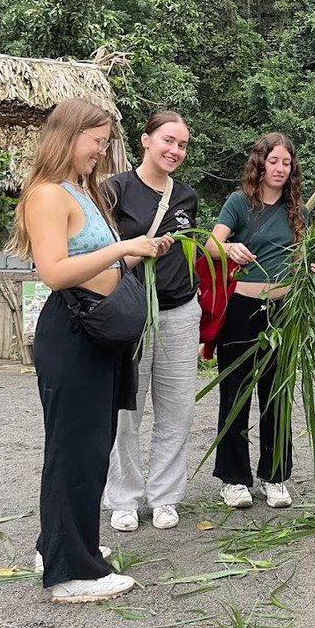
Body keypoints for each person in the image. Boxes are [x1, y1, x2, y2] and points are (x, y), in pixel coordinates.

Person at [6, 98, 162, 603]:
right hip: (72, 331)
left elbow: (96, 261)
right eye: (96, 140)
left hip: (97, 335)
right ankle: (73, 573)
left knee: (86, 448)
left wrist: (137, 252)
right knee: (76, 450)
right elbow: (53, 270)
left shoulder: (82, 190)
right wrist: (122, 248)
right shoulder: (48, 194)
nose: (102, 150)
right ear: (69, 135)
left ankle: (56, 546)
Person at [102, 111, 200, 533]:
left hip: (180, 310)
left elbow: (193, 250)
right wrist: (137, 249)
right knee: (127, 409)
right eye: (167, 141)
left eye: (181, 145)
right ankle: (123, 496)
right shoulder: (115, 189)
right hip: (132, 313)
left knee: (177, 409)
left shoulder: (187, 197)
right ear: (146, 140)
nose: (174, 151)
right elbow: (101, 252)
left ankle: (165, 497)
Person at [208, 132, 309, 510]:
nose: (280, 169)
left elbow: (300, 258)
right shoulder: (239, 203)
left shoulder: (298, 209)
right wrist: (228, 247)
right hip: (241, 310)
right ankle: (234, 478)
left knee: (278, 393)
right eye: (274, 161)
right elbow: (210, 244)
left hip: (285, 312)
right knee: (235, 391)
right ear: (260, 163)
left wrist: (309, 266)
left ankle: (276, 475)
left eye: (286, 162)